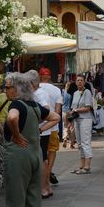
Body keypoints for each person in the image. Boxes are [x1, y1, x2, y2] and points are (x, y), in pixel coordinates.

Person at [0, 73, 59, 207]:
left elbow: (12, 118)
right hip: (35, 155)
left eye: (8, 87)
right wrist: (39, 129)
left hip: (18, 157)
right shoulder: (34, 106)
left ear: (17, 88)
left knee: (16, 200)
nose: (5, 90)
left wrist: (16, 134)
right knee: (33, 199)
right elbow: (55, 116)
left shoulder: (16, 104)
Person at [37, 68, 63, 198]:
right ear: (49, 76)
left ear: (40, 76)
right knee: (49, 158)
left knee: (42, 158)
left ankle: (44, 184)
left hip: (40, 127)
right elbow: (57, 111)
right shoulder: (56, 90)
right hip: (53, 127)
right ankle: (47, 183)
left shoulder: (36, 89)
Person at [69, 76, 95, 174]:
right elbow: (72, 108)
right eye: (78, 80)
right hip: (77, 119)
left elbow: (88, 108)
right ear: (75, 82)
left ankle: (87, 166)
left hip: (86, 119)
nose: (79, 82)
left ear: (84, 82)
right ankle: (82, 164)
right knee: (79, 143)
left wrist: (76, 110)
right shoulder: (75, 93)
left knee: (85, 142)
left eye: (81, 80)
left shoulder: (87, 92)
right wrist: (70, 121)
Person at [61, 81, 76, 148]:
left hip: (64, 111)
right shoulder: (72, 93)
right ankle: (71, 143)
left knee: (65, 126)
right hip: (70, 111)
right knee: (72, 127)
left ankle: (65, 138)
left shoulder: (63, 92)